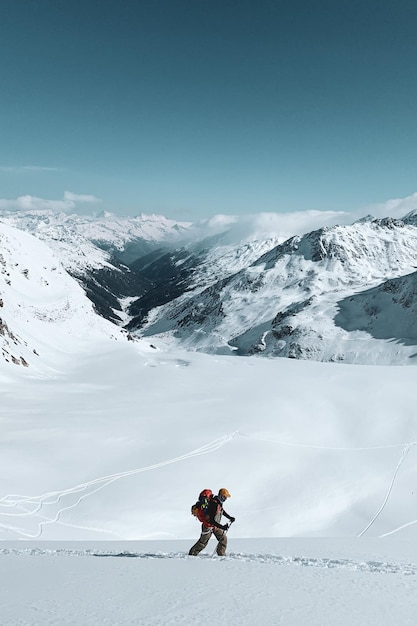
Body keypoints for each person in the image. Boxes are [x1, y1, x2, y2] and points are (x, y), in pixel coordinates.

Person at [188, 488, 235, 556]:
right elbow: (211, 520)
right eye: (224, 497)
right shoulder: (214, 504)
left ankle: (221, 555)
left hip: (215, 526)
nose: (225, 499)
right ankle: (191, 554)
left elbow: (222, 511)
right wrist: (222, 527)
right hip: (208, 526)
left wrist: (230, 517)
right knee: (202, 543)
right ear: (220, 496)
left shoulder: (218, 503)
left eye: (226, 498)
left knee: (223, 539)